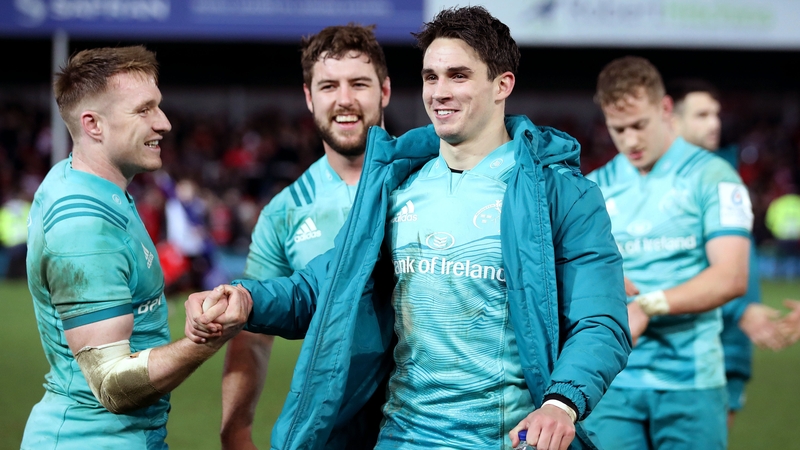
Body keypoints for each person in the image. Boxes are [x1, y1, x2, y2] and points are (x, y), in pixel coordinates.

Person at [187, 6, 631, 450]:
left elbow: (601, 320)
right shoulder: (395, 186)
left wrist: (560, 403)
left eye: (458, 76)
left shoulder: (561, 196)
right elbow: (323, 285)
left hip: (507, 440)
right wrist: (246, 298)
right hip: (403, 437)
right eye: (430, 77)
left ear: (502, 85)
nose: (439, 92)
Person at [21, 46, 250, 449]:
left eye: (157, 106)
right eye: (144, 110)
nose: (163, 123)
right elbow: (112, 386)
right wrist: (207, 339)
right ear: (93, 124)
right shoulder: (83, 226)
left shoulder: (84, 182)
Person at [219, 23, 391, 450]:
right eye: (329, 86)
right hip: (334, 435)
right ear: (309, 97)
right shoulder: (285, 212)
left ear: (385, 91)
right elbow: (253, 333)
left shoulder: (433, 181)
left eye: (359, 84)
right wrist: (235, 432)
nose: (345, 99)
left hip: (429, 430)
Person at [583, 56, 753, 450]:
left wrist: (648, 306)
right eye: (618, 129)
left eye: (639, 125)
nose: (630, 141)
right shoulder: (594, 187)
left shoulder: (713, 176)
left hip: (690, 382)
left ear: (665, 109)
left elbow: (731, 277)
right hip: (613, 381)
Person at [668, 78, 788, 426]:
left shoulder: (724, 176)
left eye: (716, 114)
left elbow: (737, 261)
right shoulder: (659, 184)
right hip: (678, 343)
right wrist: (740, 308)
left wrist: (744, 311)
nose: (714, 124)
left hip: (730, 341)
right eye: (702, 115)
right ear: (671, 118)